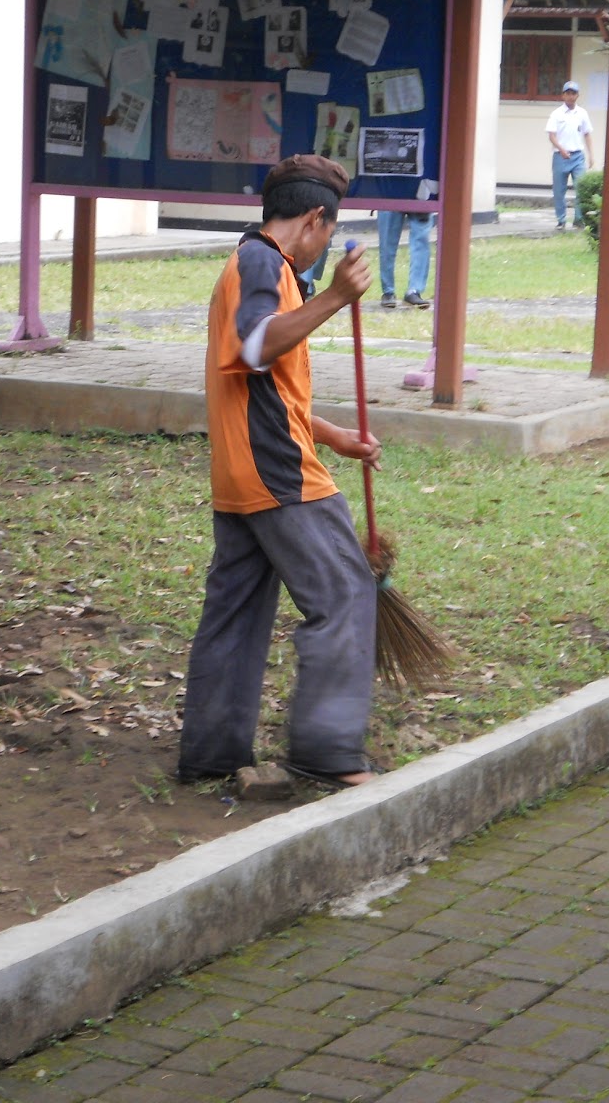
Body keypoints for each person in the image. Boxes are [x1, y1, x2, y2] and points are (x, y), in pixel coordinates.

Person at [178, 153, 381, 789]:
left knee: (236, 614)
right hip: (279, 477)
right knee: (347, 594)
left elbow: (268, 388)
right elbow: (255, 346)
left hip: (243, 473)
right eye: (327, 233)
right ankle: (329, 752)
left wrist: (336, 436)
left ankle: (213, 753)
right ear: (316, 220)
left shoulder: (261, 266)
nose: (323, 248)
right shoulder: (263, 262)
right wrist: (336, 297)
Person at [546, 80, 594, 231]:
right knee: (559, 190)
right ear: (563, 95)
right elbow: (551, 135)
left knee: (581, 188)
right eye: (568, 93)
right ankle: (561, 220)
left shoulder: (582, 113)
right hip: (560, 156)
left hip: (577, 156)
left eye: (573, 93)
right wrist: (560, 149)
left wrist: (591, 154)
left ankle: (579, 219)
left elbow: (587, 134)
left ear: (578, 95)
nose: (570, 96)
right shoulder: (556, 114)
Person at [375, 210, 433, 308]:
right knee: (387, 240)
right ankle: (388, 292)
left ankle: (414, 291)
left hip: (420, 197)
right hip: (390, 196)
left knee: (421, 237)